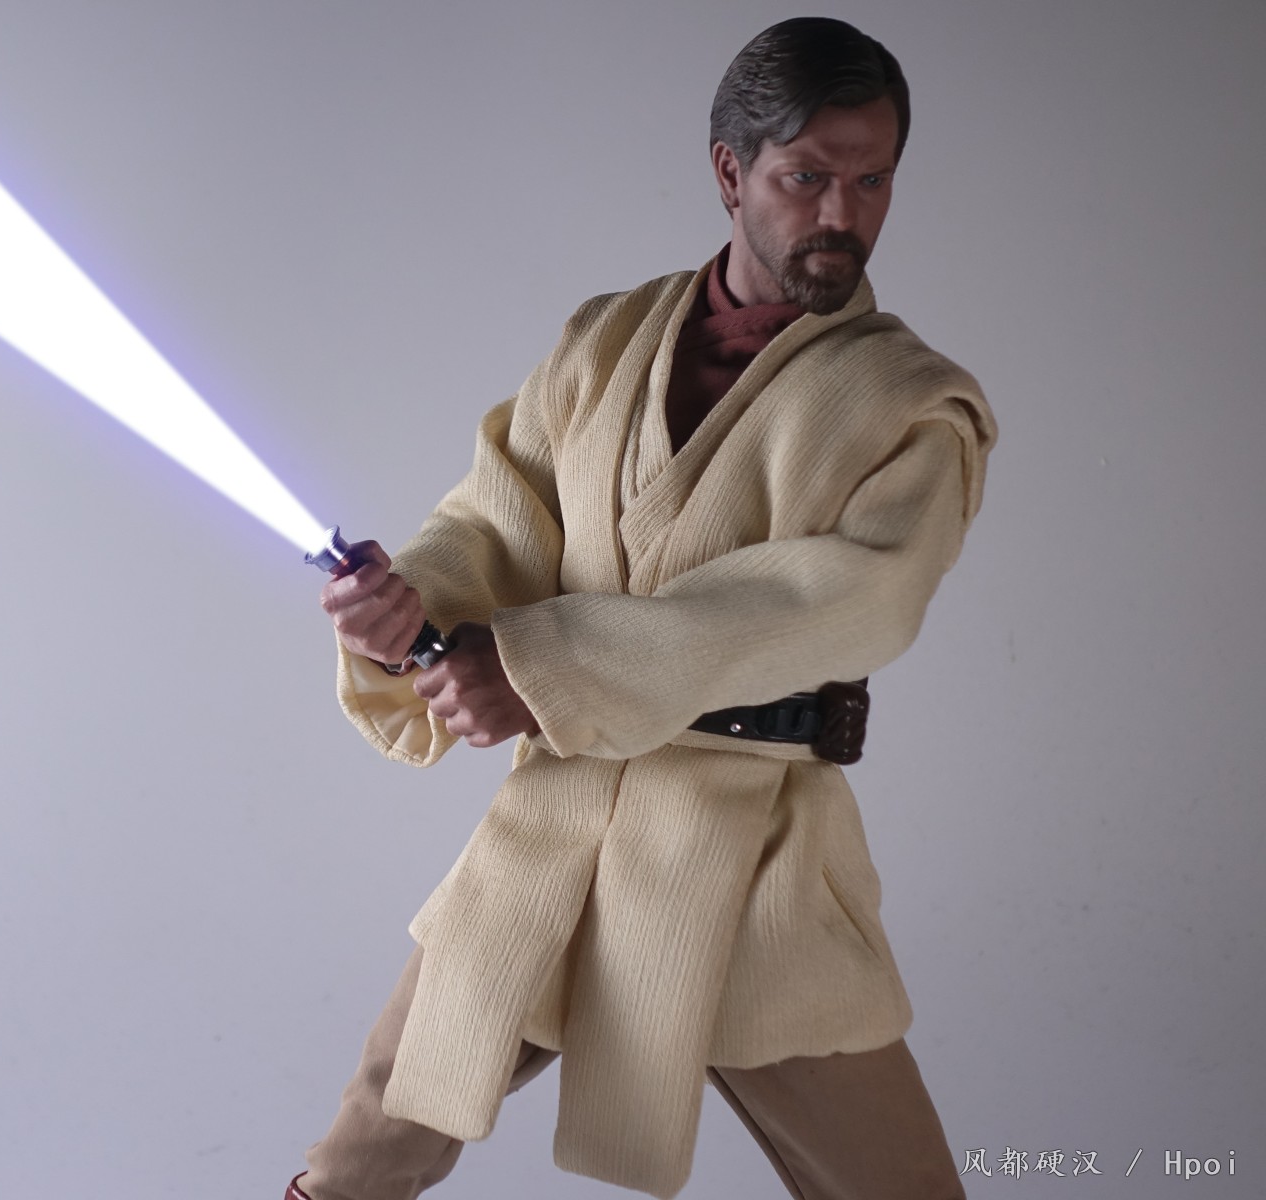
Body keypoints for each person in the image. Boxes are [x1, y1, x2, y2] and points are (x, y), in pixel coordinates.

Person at [287, 16, 996, 1200]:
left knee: (893, 1182)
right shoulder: (604, 342)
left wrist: (541, 668)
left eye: (871, 181)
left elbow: (853, 599)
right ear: (730, 171)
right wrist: (413, 611)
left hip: (754, 851)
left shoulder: (909, 402)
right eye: (806, 178)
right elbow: (496, 522)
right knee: (373, 1134)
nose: (842, 213)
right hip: (555, 827)